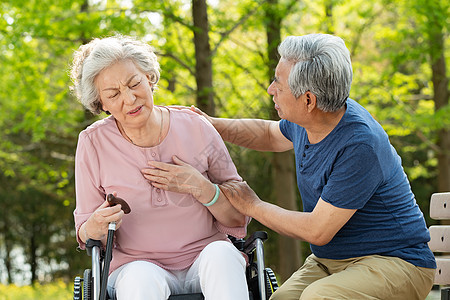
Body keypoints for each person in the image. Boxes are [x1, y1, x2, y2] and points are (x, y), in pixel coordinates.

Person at [187, 33, 437, 299]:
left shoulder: (360, 145)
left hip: (397, 263)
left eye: (278, 84)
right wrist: (209, 125)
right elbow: (269, 134)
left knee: (318, 298)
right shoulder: (312, 119)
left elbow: (317, 230)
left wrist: (252, 205)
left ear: (308, 100)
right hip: (332, 263)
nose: (271, 89)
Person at [70, 35, 250, 300]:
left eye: (134, 83)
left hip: (206, 255)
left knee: (223, 255)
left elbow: (238, 217)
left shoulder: (197, 128)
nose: (130, 99)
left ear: (150, 77)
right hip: (137, 265)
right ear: (101, 103)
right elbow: (86, 232)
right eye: (114, 94)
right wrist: (95, 225)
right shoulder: (92, 143)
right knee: (140, 279)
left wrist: (204, 190)